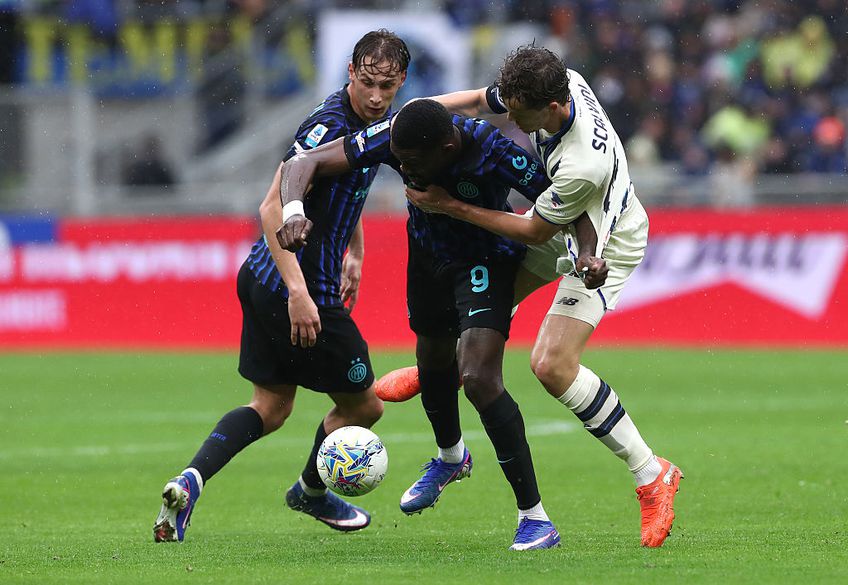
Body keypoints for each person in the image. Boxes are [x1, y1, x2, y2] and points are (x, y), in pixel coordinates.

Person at [403, 46, 683, 548]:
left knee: (552, 365)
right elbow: (474, 102)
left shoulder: (581, 164)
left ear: (551, 110)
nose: (509, 118)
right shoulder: (559, 81)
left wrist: (451, 205)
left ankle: (651, 472)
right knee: (477, 317)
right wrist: (419, 114)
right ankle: (434, 374)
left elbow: (532, 229)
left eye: (519, 113)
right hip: (566, 224)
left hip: (606, 239)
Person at [276, 98, 579, 550]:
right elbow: (306, 161)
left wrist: (588, 250)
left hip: (484, 260)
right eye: (399, 161)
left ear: (447, 146)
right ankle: (451, 457)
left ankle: (535, 519)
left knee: (478, 378)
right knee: (433, 357)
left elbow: (562, 202)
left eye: (414, 162)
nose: (405, 169)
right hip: (427, 259)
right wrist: (293, 211)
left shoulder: (492, 150)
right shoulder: (399, 136)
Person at [152, 29, 410, 542]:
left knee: (270, 406)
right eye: (368, 83)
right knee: (365, 406)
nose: (377, 96)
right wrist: (298, 292)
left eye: (388, 86)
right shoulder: (327, 127)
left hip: (260, 277)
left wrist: (354, 250)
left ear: (400, 81)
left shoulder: (368, 125)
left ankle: (190, 482)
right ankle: (311, 492)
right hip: (296, 286)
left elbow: (340, 190)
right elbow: (273, 206)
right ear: (350, 74)